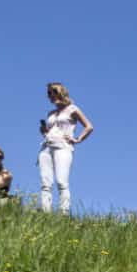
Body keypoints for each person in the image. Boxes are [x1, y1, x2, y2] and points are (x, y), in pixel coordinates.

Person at [38, 82, 94, 213]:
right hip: (46, 147)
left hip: (63, 147)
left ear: (61, 92)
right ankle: (46, 213)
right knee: (46, 183)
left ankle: (64, 213)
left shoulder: (72, 109)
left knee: (61, 182)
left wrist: (78, 139)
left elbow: (89, 126)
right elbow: (49, 131)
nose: (51, 96)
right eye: (49, 93)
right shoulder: (51, 113)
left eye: (53, 92)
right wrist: (44, 130)